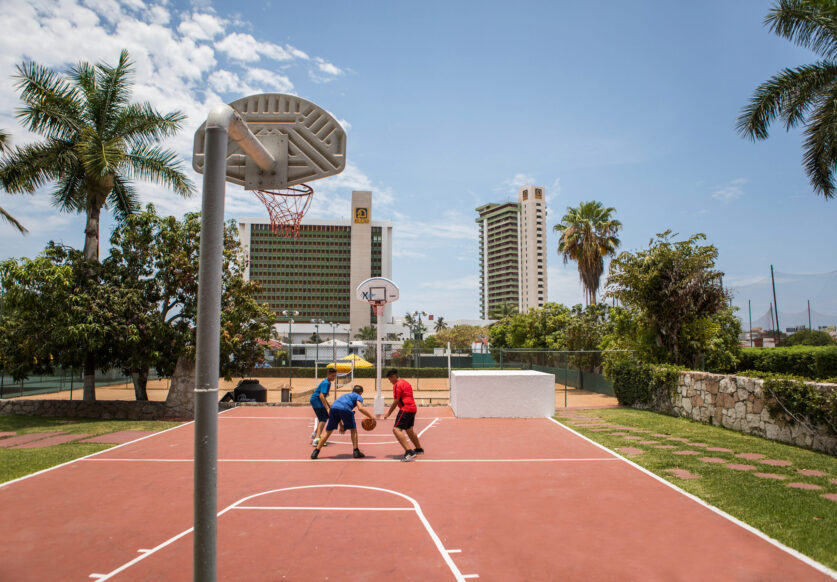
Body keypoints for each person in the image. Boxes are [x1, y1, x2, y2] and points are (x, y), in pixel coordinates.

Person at [310, 385, 375, 460]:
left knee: (328, 431)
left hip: (333, 408)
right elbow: (360, 408)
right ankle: (356, 451)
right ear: (360, 392)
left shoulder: (345, 395)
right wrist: (371, 416)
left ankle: (316, 451)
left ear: (353, 391)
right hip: (345, 409)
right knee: (353, 429)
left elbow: (338, 409)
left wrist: (341, 425)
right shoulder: (358, 396)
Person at [383, 369, 424, 462]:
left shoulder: (397, 385)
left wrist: (389, 413)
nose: (390, 382)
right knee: (409, 430)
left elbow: (396, 400)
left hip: (406, 409)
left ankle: (409, 452)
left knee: (396, 429)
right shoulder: (405, 382)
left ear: (393, 377)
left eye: (390, 379)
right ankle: (419, 449)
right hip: (413, 408)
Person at [310, 368, 337, 446]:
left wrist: (328, 406)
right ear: (328, 375)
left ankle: (315, 434)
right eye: (332, 376)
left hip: (317, 400)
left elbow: (323, 397)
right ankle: (316, 440)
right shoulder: (326, 383)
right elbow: (321, 396)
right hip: (316, 400)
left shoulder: (328, 382)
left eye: (335, 376)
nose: (334, 377)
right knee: (323, 419)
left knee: (325, 417)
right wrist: (327, 408)